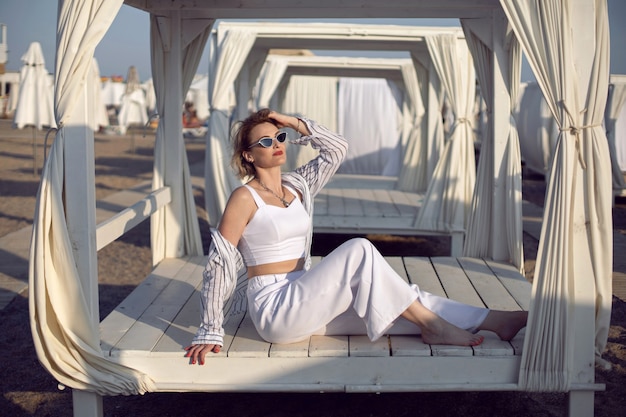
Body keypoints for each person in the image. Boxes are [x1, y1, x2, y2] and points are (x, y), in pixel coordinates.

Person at [185, 109, 527, 365]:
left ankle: (496, 321)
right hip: (277, 308)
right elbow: (220, 264)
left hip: (307, 294)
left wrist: (293, 122)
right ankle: (437, 328)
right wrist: (209, 329)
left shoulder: (297, 185)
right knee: (359, 249)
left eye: (279, 137)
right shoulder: (244, 198)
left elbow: (336, 149)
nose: (276, 144)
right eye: (264, 141)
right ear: (248, 155)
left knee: (402, 298)